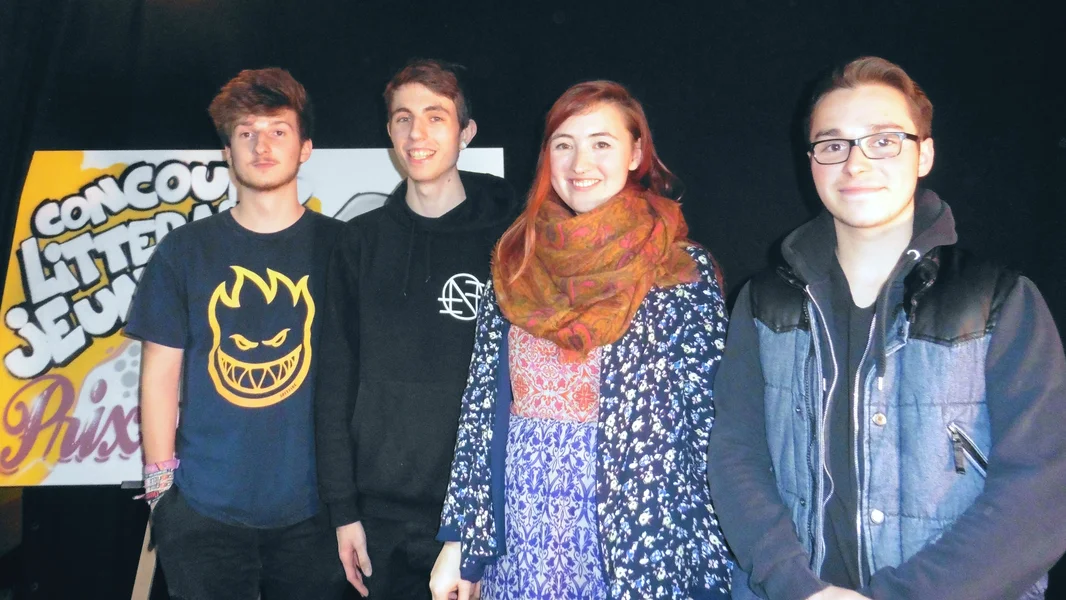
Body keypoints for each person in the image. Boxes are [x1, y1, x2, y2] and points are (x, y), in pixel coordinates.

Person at [707, 56, 1066, 600]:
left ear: (925, 154)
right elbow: (737, 456)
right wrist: (795, 585)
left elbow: (1043, 490)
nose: (855, 164)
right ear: (812, 162)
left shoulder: (998, 300)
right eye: (833, 144)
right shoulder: (763, 302)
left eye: (882, 141)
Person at [429, 80, 733, 600]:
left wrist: (709, 560)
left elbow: (710, 426)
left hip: (635, 539)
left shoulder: (680, 271)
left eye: (601, 143)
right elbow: (481, 413)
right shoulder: (515, 261)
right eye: (564, 144)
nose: (579, 163)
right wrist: (462, 540)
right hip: (521, 534)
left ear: (635, 153)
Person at [126, 67, 346, 599]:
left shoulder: (345, 248)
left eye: (278, 130)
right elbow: (159, 375)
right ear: (227, 152)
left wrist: (352, 503)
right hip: (204, 512)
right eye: (246, 132)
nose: (261, 145)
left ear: (306, 148)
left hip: (318, 512)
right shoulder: (184, 251)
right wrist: (162, 494)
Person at [314, 59, 518, 598]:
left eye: (436, 117)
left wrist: (486, 516)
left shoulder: (512, 242)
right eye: (403, 118)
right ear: (389, 131)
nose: (417, 133)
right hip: (376, 517)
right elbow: (334, 381)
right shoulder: (359, 243)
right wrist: (343, 510)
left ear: (466, 132)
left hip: (480, 513)